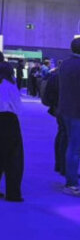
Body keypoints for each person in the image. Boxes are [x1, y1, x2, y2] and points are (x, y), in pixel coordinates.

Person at [0, 62, 24, 202]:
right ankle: (13, 193)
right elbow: (17, 106)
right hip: (9, 121)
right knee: (13, 158)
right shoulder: (11, 86)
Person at [58, 38, 80, 196]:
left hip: (65, 110)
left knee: (68, 144)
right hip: (77, 112)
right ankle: (71, 183)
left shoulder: (64, 64)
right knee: (74, 148)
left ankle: (68, 176)